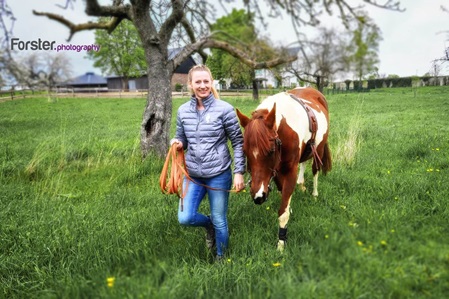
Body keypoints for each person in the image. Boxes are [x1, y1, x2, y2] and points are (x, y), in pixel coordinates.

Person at [171, 64, 245, 261]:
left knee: (220, 219)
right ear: (190, 84)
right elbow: (182, 138)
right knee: (185, 218)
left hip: (219, 174)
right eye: (198, 82)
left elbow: (238, 141)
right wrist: (178, 144)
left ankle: (222, 259)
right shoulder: (183, 111)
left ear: (212, 83)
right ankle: (208, 225)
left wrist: (239, 172)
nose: (202, 85)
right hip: (193, 174)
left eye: (206, 81)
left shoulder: (225, 110)